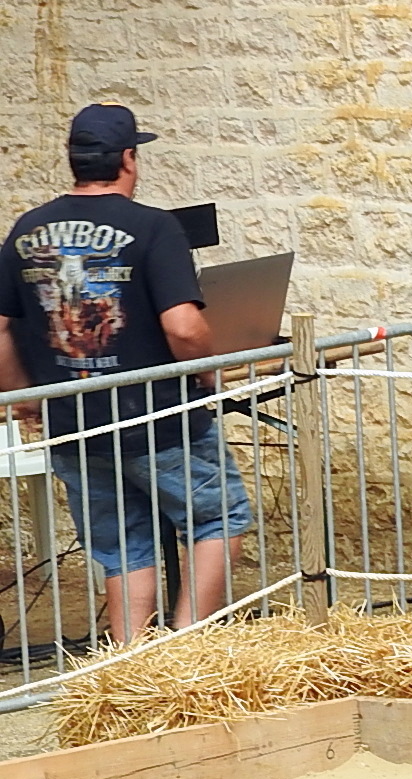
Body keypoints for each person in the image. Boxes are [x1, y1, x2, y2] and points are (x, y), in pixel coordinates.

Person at [0, 104, 253, 643]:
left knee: (119, 544)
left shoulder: (26, 229)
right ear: (129, 159)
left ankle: (128, 661)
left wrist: (25, 395)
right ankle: (184, 647)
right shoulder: (153, 227)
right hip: (158, 418)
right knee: (217, 518)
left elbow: (0, 329)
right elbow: (184, 327)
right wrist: (209, 370)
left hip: (73, 424)